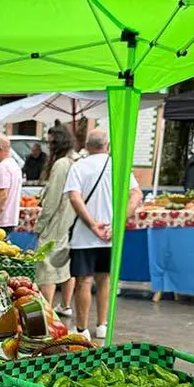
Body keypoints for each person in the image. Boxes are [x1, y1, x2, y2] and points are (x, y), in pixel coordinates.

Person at [64, 128, 142, 340]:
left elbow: (74, 197)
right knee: (105, 279)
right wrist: (118, 223)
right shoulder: (118, 166)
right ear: (107, 146)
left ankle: (81, 328)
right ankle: (102, 325)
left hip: (84, 236)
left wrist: (91, 224)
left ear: (87, 146)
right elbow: (136, 194)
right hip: (110, 235)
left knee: (83, 281)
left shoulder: (79, 166)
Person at [34, 125, 78, 316]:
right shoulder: (78, 159)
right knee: (67, 265)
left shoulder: (61, 164)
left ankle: (47, 311)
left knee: (47, 266)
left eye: (51, 142)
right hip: (72, 220)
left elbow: (52, 199)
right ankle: (66, 305)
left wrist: (40, 225)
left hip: (58, 220)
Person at [0, 135, 23, 233]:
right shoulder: (14, 165)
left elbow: (2, 194)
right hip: (11, 219)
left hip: (1, 221)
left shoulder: (3, 167)